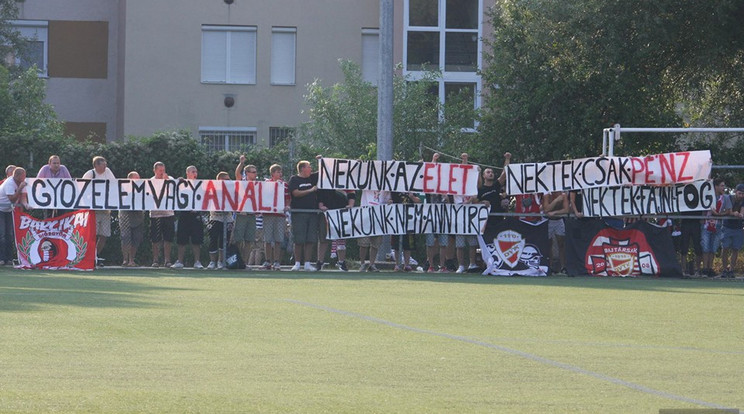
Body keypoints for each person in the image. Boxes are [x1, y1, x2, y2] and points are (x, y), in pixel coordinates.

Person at [82, 156, 116, 267]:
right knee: (93, 234)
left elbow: (114, 185)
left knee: (104, 234)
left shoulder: (108, 172)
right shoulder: (89, 174)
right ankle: (89, 256)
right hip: (93, 210)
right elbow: (82, 189)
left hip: (105, 210)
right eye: (103, 164)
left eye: (106, 164)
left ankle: (96, 255)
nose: (105, 166)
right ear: (96, 165)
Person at [288, 160, 320, 272]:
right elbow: (295, 193)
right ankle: (297, 263)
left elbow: (324, 170)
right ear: (302, 169)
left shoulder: (312, 178)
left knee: (310, 239)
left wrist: (319, 160)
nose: (311, 169)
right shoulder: (294, 179)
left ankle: (307, 263)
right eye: (309, 167)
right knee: (299, 239)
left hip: (312, 212)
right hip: (299, 213)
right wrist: (311, 190)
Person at [171, 166, 204, 269]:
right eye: (193, 171)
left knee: (197, 240)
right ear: (187, 173)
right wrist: (178, 182)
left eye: (196, 171)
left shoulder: (200, 185)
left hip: (196, 215)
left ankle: (197, 261)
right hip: (184, 214)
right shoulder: (182, 184)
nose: (195, 173)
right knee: (181, 239)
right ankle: (180, 261)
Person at [453, 153, 480, 274]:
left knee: (472, 242)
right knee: (460, 243)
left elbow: (477, 189)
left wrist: (471, 200)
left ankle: (472, 263)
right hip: (459, 212)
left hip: (470, 213)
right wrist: (464, 160)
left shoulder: (471, 183)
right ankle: (461, 265)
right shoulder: (454, 184)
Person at [231, 155, 258, 270]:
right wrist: (241, 163)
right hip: (241, 214)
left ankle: (244, 262)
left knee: (249, 241)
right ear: (247, 173)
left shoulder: (259, 185)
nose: (255, 174)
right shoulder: (242, 181)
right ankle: (236, 260)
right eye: (253, 172)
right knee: (238, 239)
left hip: (252, 215)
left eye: (256, 172)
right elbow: (237, 174)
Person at [263, 163, 290, 270]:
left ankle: (277, 261)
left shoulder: (284, 185)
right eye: (278, 172)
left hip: (280, 215)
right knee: (268, 239)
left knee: (278, 239)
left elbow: (288, 198)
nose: (280, 174)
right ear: (272, 173)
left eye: (280, 172)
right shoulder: (266, 184)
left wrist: (287, 205)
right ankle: (267, 261)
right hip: (268, 214)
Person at [357, 189, 391, 272]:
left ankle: (372, 264)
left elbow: (387, 200)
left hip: (379, 215)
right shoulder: (367, 182)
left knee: (376, 242)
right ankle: (362, 264)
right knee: (363, 242)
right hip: (366, 213)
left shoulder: (385, 185)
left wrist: (389, 202)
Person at [149, 161, 176, 267]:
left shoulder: (170, 179)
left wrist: (167, 181)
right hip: (155, 214)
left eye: (163, 170)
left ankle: (167, 260)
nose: (162, 172)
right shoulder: (150, 181)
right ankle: (155, 260)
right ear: (155, 170)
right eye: (160, 170)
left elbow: (175, 191)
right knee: (155, 239)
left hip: (168, 214)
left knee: (168, 238)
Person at [0, 167, 28, 265]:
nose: (24, 178)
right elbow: (12, 199)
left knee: (10, 235)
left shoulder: (22, 182)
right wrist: (20, 188)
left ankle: (9, 259)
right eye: (23, 176)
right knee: (2, 235)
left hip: (9, 210)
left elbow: (23, 196)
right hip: (1, 209)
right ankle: (2, 258)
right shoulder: (9, 183)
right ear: (17, 176)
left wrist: (26, 204)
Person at [478, 153, 510, 237]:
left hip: (498, 221)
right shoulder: (480, 189)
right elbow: (474, 203)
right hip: (485, 223)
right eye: (488, 172)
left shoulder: (496, 185)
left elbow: (504, 174)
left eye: (492, 172)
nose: (490, 173)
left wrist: (507, 159)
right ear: (484, 176)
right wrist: (481, 203)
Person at [207, 172, 234, 269]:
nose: (228, 181)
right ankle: (212, 261)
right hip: (215, 217)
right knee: (213, 239)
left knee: (224, 241)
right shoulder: (213, 189)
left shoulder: (231, 190)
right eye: (226, 179)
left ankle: (221, 261)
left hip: (227, 218)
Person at [701, 178, 726, 277]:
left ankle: (710, 268)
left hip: (718, 225)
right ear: (716, 186)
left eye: (724, 186)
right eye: (722, 185)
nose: (723, 188)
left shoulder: (724, 198)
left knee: (713, 248)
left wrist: (720, 214)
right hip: (707, 225)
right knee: (706, 247)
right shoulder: (708, 196)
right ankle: (705, 269)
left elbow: (727, 210)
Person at [119, 171, 145, 267]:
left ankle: (132, 260)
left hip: (138, 215)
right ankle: (125, 260)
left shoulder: (143, 188)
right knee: (125, 237)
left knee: (136, 238)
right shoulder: (123, 188)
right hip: (126, 214)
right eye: (135, 178)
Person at [718, 183, 744, 278]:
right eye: (740, 193)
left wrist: (740, 214)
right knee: (725, 248)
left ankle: (731, 270)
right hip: (727, 226)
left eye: (743, 194)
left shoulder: (743, 200)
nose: (741, 195)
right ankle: (725, 269)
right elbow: (727, 211)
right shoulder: (728, 198)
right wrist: (734, 213)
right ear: (736, 192)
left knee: (735, 249)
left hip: (738, 228)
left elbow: (742, 212)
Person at [543, 190, 570, 274]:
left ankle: (563, 266)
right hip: (548, 221)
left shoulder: (563, 194)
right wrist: (556, 200)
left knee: (561, 243)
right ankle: (550, 266)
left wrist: (555, 212)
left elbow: (566, 210)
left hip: (559, 220)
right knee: (549, 243)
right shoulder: (547, 194)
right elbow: (546, 209)